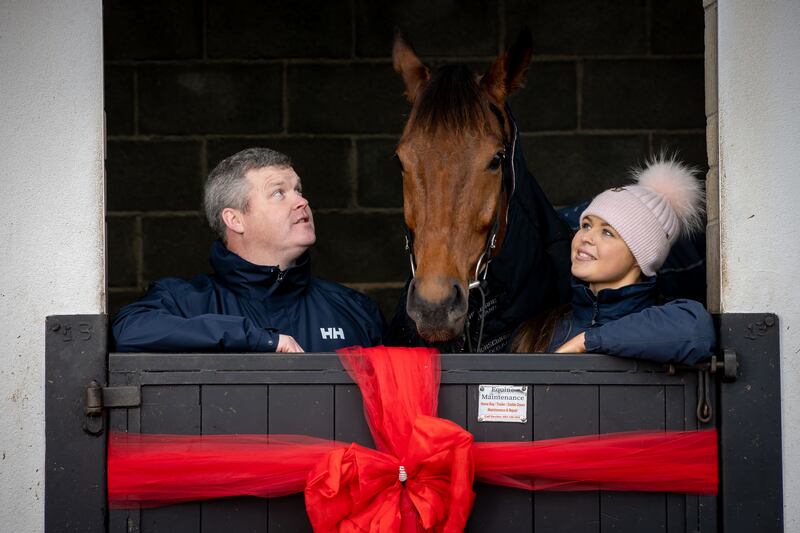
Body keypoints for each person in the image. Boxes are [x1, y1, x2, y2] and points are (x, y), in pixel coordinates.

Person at [113, 147, 385, 353]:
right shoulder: (185, 301)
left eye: (298, 190)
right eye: (279, 193)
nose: (302, 201)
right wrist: (257, 339)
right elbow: (127, 331)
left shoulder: (355, 308)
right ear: (235, 220)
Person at [512, 156, 716, 364]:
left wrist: (586, 341)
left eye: (607, 233)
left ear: (640, 257)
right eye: (586, 225)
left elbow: (697, 332)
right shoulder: (537, 332)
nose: (586, 237)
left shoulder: (673, 324)